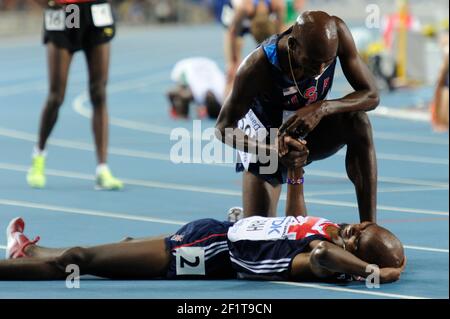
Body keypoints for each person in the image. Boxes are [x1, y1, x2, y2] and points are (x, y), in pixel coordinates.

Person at [0, 138, 405, 284]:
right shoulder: (328, 230)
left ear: (356, 258)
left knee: (79, 260)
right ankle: (29, 252)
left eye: (356, 238)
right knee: (119, 246)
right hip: (208, 232)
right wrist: (296, 176)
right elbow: (298, 220)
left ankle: (18, 266)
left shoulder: (325, 261)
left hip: (206, 255)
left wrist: (373, 272)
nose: (351, 229)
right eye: (361, 226)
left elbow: (319, 255)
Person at [215, 11, 380, 222]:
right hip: (268, 140)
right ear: (293, 45)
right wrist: (272, 150)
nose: (320, 70)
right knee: (258, 243)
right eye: (312, 62)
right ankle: (238, 222)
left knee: (358, 122)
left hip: (310, 131)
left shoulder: (337, 33)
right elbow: (223, 128)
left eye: (327, 62)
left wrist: (321, 108)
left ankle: (369, 226)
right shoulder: (257, 66)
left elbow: (372, 94)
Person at [27, 0, 123, 190]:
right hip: (65, 11)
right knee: (56, 96)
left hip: (95, 10)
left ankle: (102, 169)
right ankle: (39, 154)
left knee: (99, 92)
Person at [221, 0, 286, 95]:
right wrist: (232, 61)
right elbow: (232, 33)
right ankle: (226, 100)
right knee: (233, 69)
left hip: (252, 15)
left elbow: (280, 34)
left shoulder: (278, 5)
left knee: (273, 59)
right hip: (233, 20)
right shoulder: (244, 8)